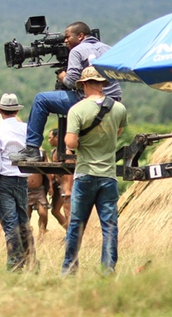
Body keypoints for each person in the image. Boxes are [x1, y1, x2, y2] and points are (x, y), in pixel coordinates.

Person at [10, 22, 122, 162]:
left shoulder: (77, 51)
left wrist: (63, 77)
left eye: (68, 37)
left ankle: (32, 148)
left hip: (90, 102)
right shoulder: (108, 48)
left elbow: (71, 82)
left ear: (80, 36)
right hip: (113, 101)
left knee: (41, 100)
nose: (65, 40)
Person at [61, 67, 127, 276]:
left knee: (76, 226)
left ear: (85, 84)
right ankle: (107, 271)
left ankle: (70, 271)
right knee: (109, 227)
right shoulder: (118, 109)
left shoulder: (77, 110)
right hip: (108, 176)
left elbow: (70, 143)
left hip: (85, 174)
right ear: (102, 83)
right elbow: (117, 134)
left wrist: (74, 140)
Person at [0, 94, 36, 271]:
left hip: (3, 181)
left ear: (0, 111)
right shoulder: (27, 128)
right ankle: (30, 261)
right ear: (16, 110)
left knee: (10, 225)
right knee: (23, 223)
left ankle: (15, 265)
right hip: (22, 180)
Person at [48, 129, 70, 228]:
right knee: (55, 211)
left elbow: (71, 172)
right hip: (58, 185)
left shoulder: (67, 152)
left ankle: (72, 237)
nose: (49, 140)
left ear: (57, 138)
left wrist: (69, 188)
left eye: (50, 138)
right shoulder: (53, 152)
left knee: (68, 212)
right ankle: (68, 232)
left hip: (66, 186)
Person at [27, 149, 51, 237]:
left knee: (43, 213)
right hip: (27, 189)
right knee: (26, 215)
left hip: (39, 189)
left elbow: (47, 170)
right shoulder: (23, 152)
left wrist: (50, 184)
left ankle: (42, 232)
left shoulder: (41, 153)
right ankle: (28, 234)